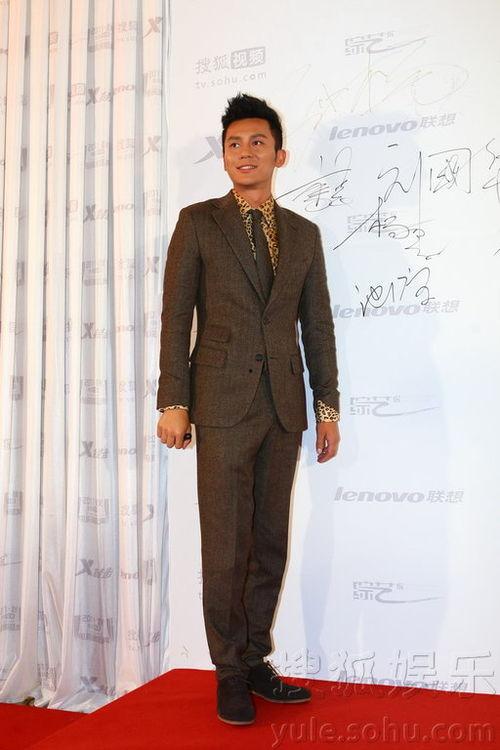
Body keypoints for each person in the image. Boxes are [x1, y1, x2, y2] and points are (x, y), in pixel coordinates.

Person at [156, 93, 341, 725]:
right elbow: (176, 318)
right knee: (225, 545)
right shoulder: (198, 222)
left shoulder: (304, 234)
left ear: (278, 155)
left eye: (257, 142)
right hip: (221, 404)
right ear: (225, 156)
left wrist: (328, 407)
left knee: (269, 542)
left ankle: (257, 659)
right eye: (234, 143)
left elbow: (318, 326)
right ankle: (228, 671)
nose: (244, 152)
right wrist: (174, 401)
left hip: (283, 408)